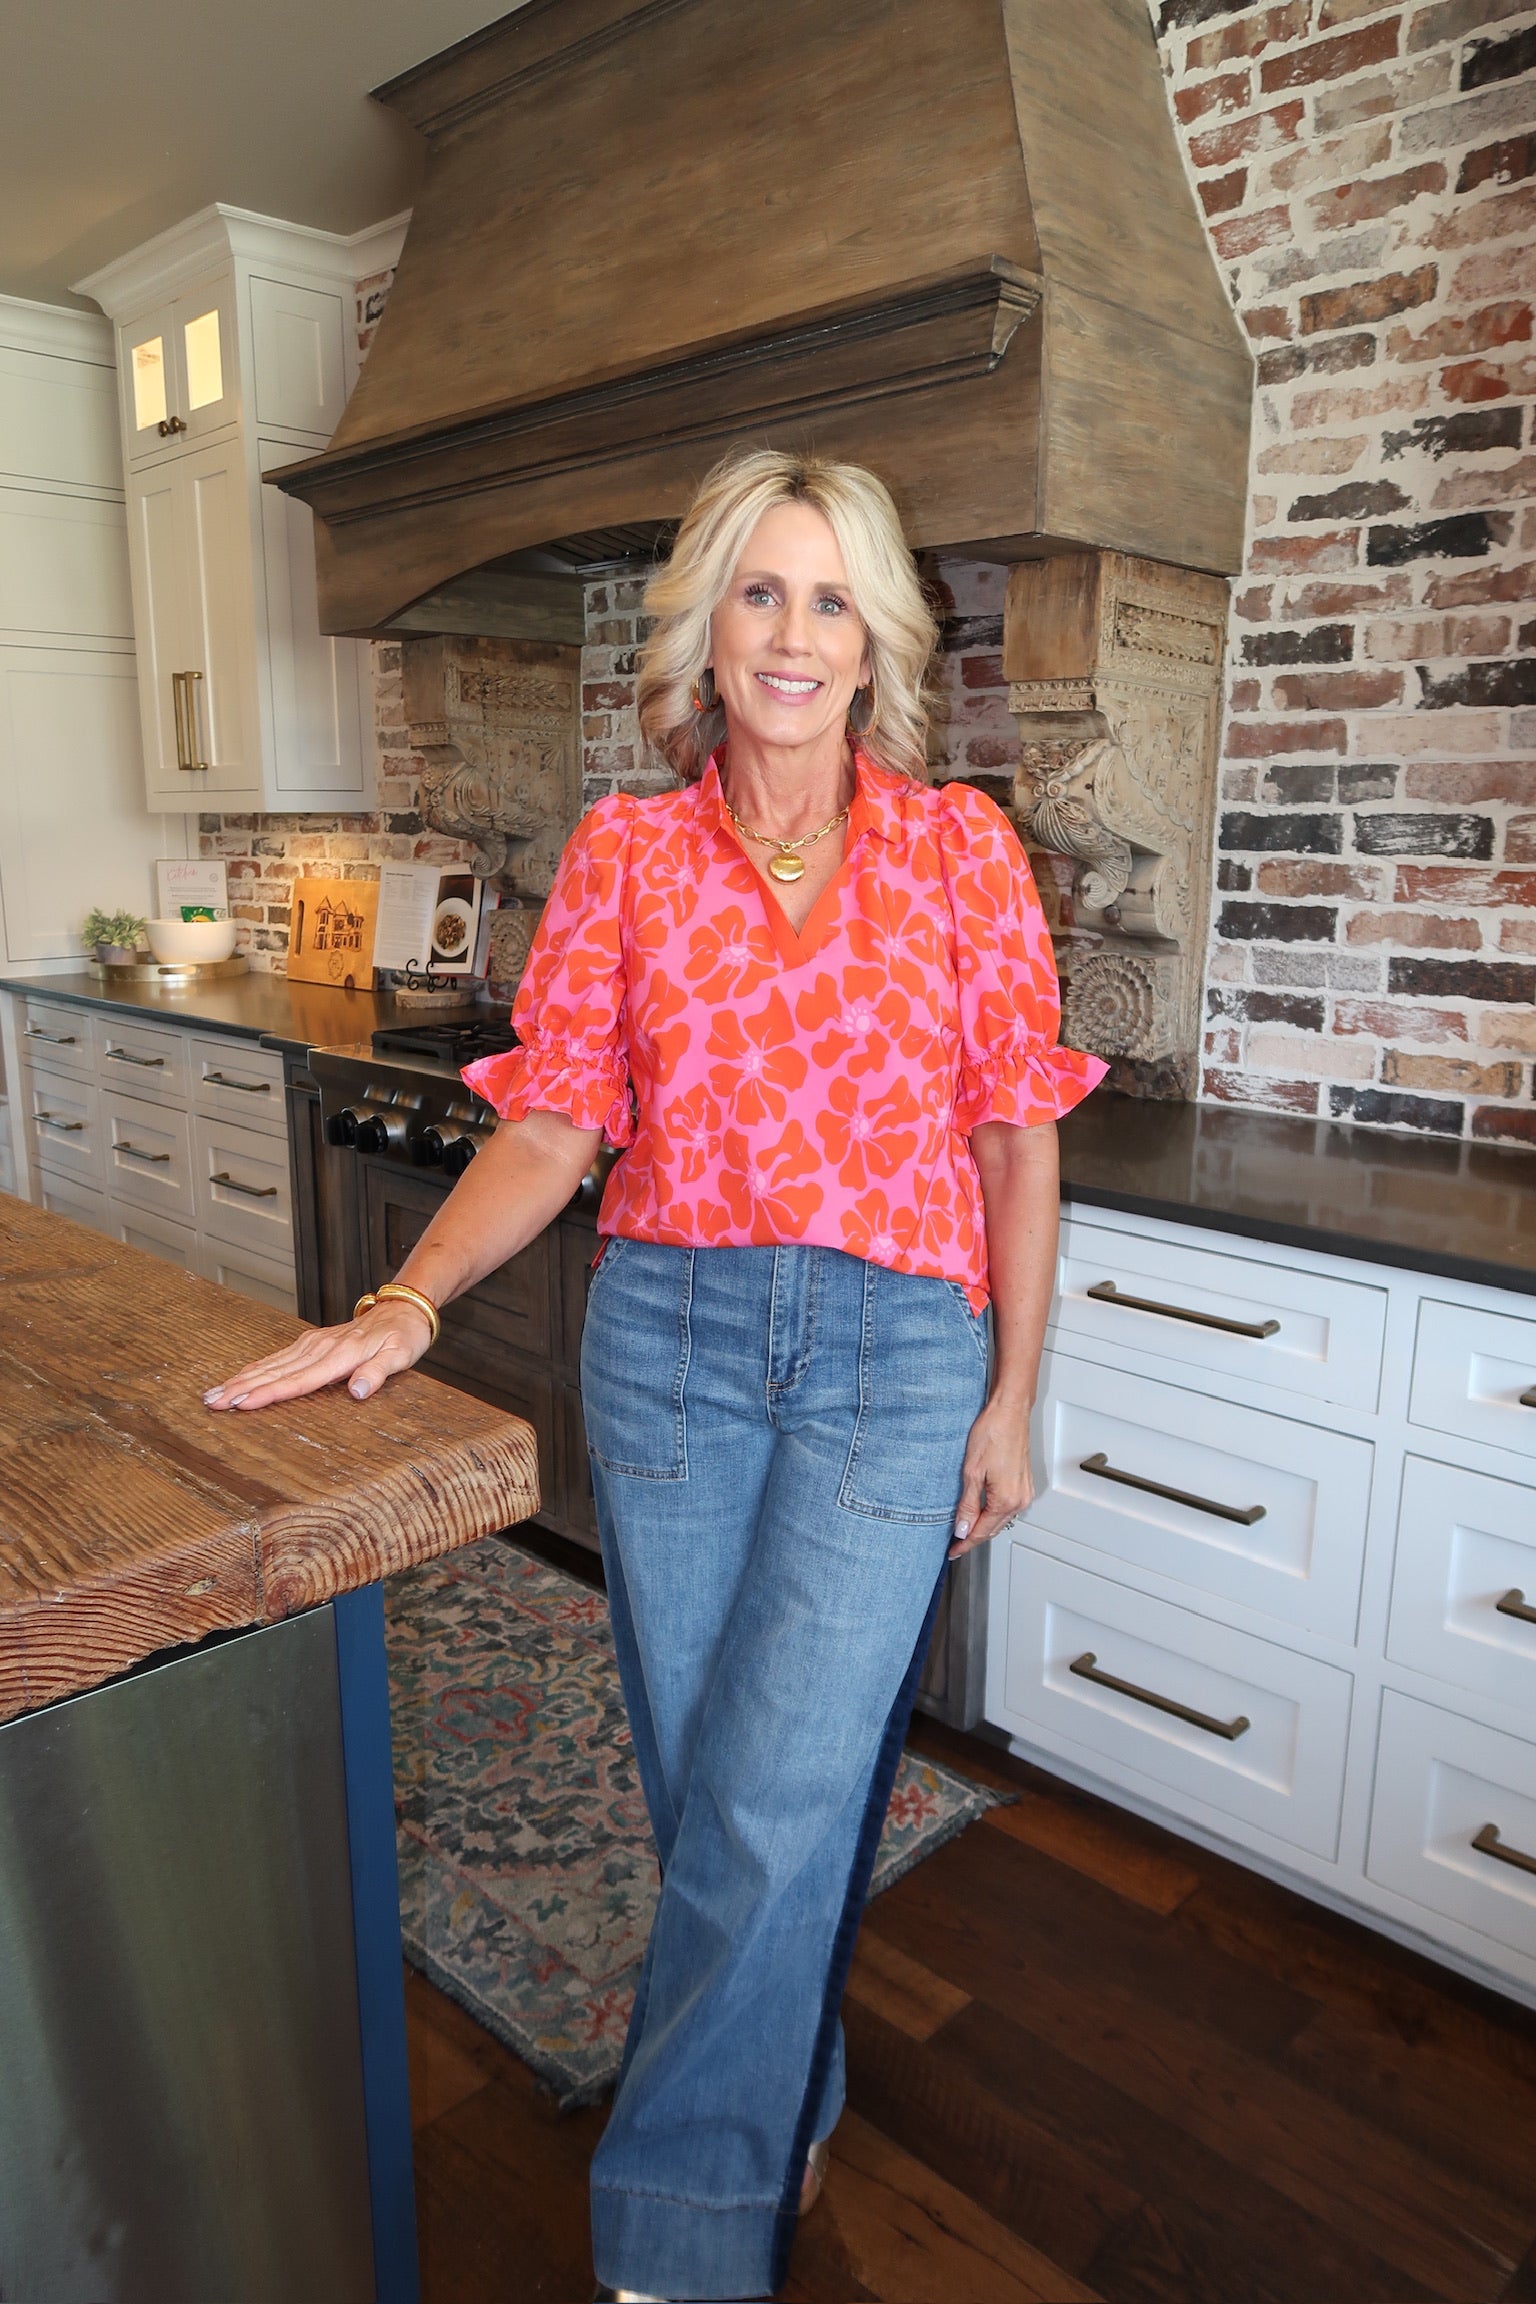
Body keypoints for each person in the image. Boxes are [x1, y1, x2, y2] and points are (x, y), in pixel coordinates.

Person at [205, 446, 1105, 2302]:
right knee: (706, 1778)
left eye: (831, 599)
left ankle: (676, 2243)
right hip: (671, 1347)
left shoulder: (959, 851)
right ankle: (787, 2084)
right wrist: (412, 1298)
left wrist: (1014, 1397)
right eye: (760, 592)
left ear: (877, 641)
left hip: (892, 1358)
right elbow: (555, 1124)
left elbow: (1017, 1141)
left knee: (779, 1791)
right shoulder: (629, 853)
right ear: (707, 626)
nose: (793, 634)